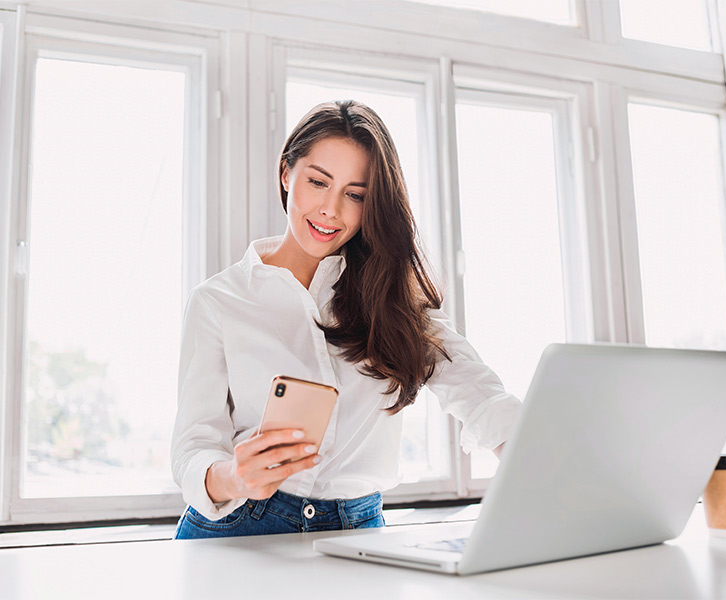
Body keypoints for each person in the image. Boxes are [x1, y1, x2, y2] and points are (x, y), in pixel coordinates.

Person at [171, 100, 521, 539]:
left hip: (359, 530)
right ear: (286, 172)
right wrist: (235, 477)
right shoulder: (218, 301)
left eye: (355, 194)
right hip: (240, 527)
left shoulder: (394, 297)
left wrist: (538, 468)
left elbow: (477, 391)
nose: (331, 210)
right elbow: (192, 449)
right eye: (318, 182)